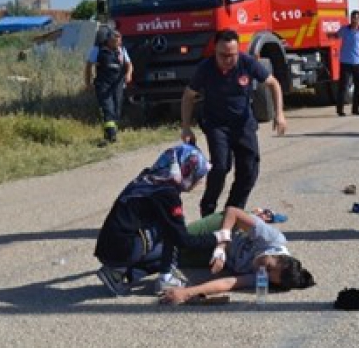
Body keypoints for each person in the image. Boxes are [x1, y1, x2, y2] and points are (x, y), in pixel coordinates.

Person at [94, 143, 232, 296]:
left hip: (109, 246)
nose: (199, 182)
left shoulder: (149, 178)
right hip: (123, 247)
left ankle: (120, 272)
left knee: (164, 247)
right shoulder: (166, 193)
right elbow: (183, 239)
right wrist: (217, 237)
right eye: (198, 176)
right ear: (186, 169)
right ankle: (164, 278)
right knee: (172, 232)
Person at [181, 29, 287, 217]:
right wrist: (186, 127)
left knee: (249, 170)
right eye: (223, 55)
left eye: (232, 55)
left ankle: (232, 210)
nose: (228, 60)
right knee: (221, 166)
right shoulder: (206, 68)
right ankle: (208, 208)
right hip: (216, 125)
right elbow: (189, 96)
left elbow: (273, 84)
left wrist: (279, 114)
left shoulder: (247, 63)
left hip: (243, 124)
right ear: (215, 51)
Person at [159, 206, 314, 305]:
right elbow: (232, 212)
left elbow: (228, 283)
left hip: (221, 254)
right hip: (226, 227)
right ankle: (258, 215)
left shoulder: (262, 278)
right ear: (276, 254)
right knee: (173, 239)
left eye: (265, 275)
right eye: (267, 266)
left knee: (164, 258)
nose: (261, 270)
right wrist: (221, 246)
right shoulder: (271, 239)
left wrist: (187, 293)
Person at [84, 27, 133, 144]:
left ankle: (109, 133)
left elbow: (129, 64)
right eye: (116, 41)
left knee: (116, 110)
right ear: (109, 40)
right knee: (108, 109)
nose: (118, 43)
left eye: (119, 41)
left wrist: (128, 74)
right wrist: (88, 82)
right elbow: (88, 66)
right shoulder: (98, 50)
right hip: (103, 85)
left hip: (117, 84)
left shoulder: (121, 50)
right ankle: (111, 136)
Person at [333, 10, 359, 117]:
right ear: (351, 19)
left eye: (357, 18)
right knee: (343, 86)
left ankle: (356, 109)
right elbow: (336, 36)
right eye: (353, 18)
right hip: (345, 62)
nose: (355, 20)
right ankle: (340, 110)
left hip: (358, 62)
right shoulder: (344, 29)